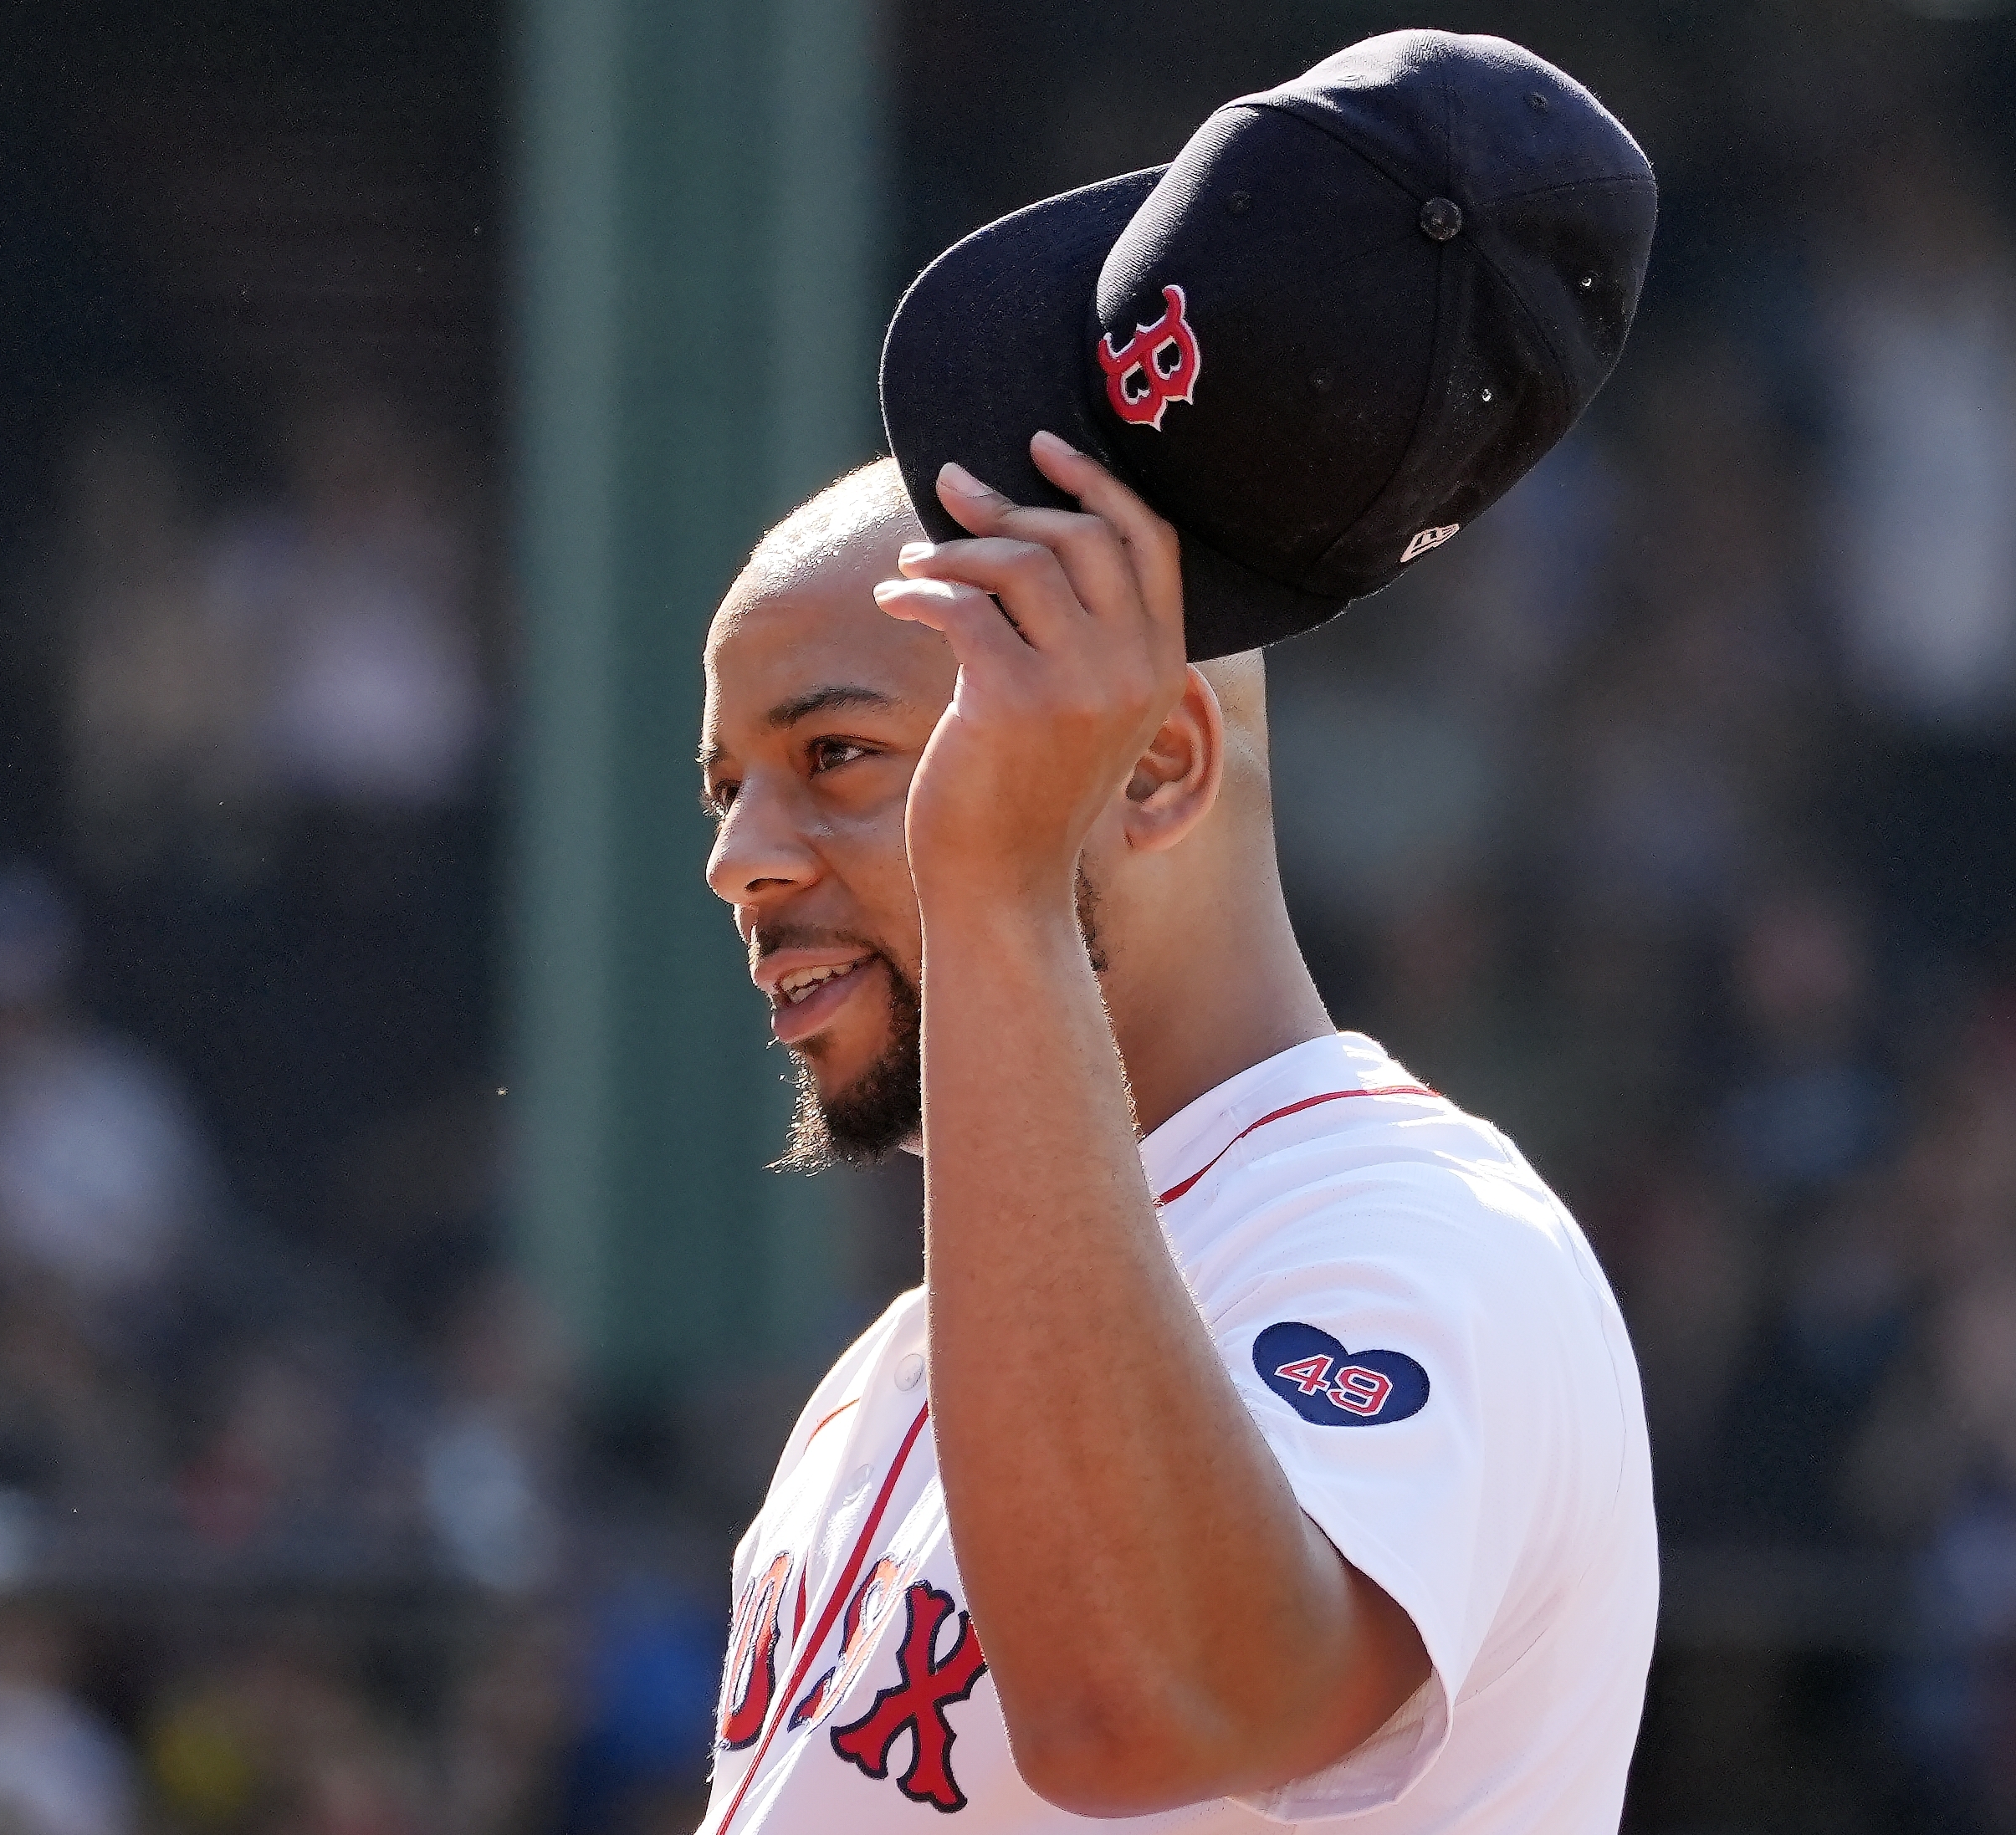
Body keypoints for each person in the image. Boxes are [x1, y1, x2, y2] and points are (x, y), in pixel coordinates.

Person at [693, 31, 1659, 1832]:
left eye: (834, 756)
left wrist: (988, 884)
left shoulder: (1418, 1241)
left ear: (1152, 767)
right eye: (722, 787)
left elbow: (1143, 1711)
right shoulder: (887, 1374)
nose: (741, 857)